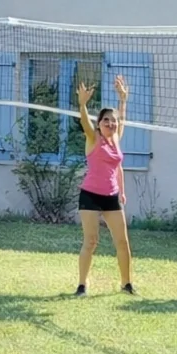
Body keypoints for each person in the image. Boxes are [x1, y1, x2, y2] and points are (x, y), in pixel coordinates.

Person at [74, 75, 135, 296]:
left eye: (113, 120)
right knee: (91, 241)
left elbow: (118, 167)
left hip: (111, 196)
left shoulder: (116, 139)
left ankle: (127, 284)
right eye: (106, 120)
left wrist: (123, 100)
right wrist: (82, 104)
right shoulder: (93, 138)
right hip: (90, 195)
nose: (111, 123)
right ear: (99, 124)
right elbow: (84, 122)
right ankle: (82, 285)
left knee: (122, 241)